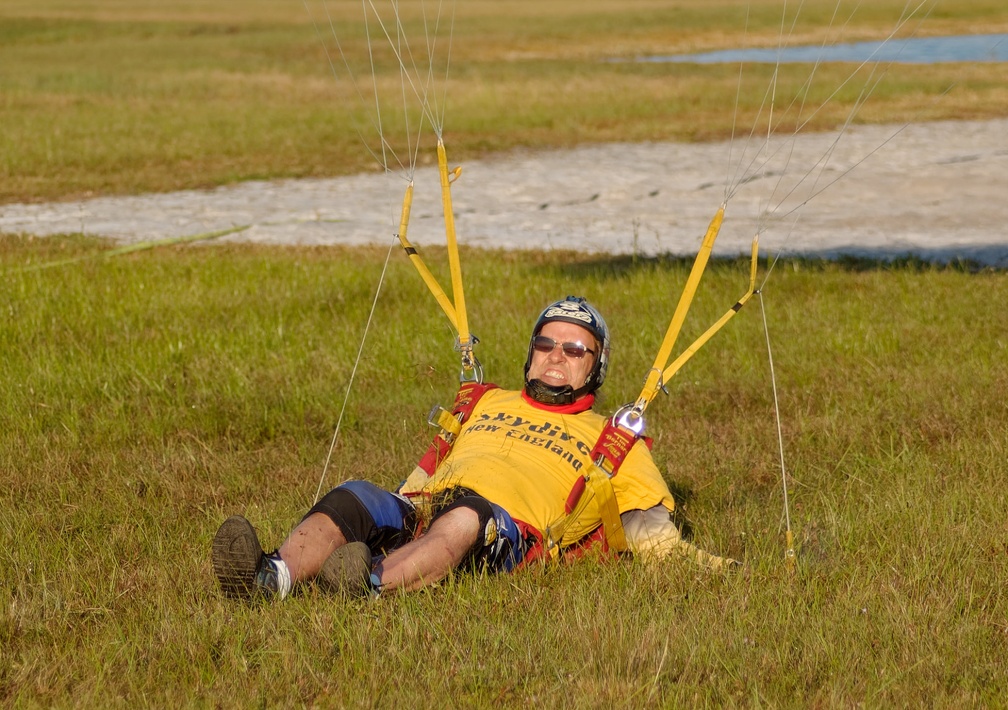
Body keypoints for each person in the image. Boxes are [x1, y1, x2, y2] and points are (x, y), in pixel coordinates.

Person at [212, 296, 734, 601]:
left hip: (505, 529)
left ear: (595, 366)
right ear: (529, 355)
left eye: (574, 349)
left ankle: (366, 584)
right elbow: (430, 464)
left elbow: (650, 530)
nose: (555, 356)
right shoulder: (485, 399)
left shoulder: (614, 438)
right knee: (356, 494)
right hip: (429, 503)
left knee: (466, 515)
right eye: (545, 344)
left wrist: (720, 573)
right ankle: (271, 576)